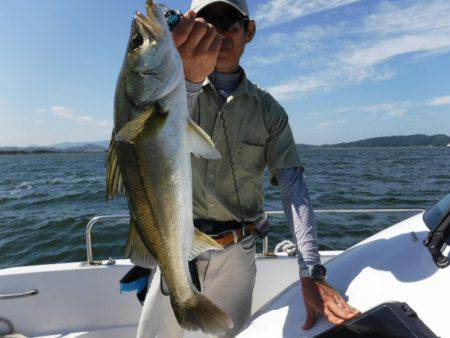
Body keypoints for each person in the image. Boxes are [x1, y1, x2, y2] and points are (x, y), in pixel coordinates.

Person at [136, 0, 360, 337]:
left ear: (249, 31)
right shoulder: (171, 91)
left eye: (231, 22)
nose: (221, 32)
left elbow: (293, 188)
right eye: (209, 21)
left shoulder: (269, 111)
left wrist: (310, 270)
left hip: (236, 255)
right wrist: (189, 79)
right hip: (174, 245)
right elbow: (150, 141)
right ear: (194, 25)